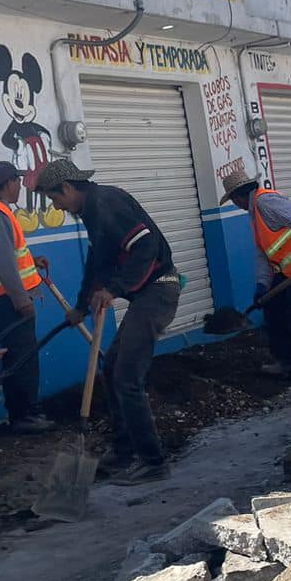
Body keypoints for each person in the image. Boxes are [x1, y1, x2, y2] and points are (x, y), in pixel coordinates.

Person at [35, 157, 181, 485]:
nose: (56, 205)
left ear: (69, 187)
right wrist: (81, 308)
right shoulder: (92, 212)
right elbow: (97, 265)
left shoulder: (107, 202)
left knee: (127, 376)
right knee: (112, 367)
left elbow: (146, 246)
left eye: (55, 198)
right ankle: (125, 450)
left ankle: (153, 461)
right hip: (145, 295)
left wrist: (115, 289)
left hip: (159, 291)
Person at [219, 166, 291, 384]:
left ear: (239, 197)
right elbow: (263, 253)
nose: (235, 205)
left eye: (234, 200)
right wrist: (262, 285)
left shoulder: (265, 203)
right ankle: (286, 361)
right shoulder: (255, 214)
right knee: (273, 308)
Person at [0, 161, 55, 434]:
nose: (20, 186)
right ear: (8, 183)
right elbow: (4, 263)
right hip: (10, 301)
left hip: (6, 299)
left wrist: (33, 259)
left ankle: (22, 414)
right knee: (24, 358)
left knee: (17, 357)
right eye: (17, 181)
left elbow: (11, 255)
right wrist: (21, 300)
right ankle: (25, 416)